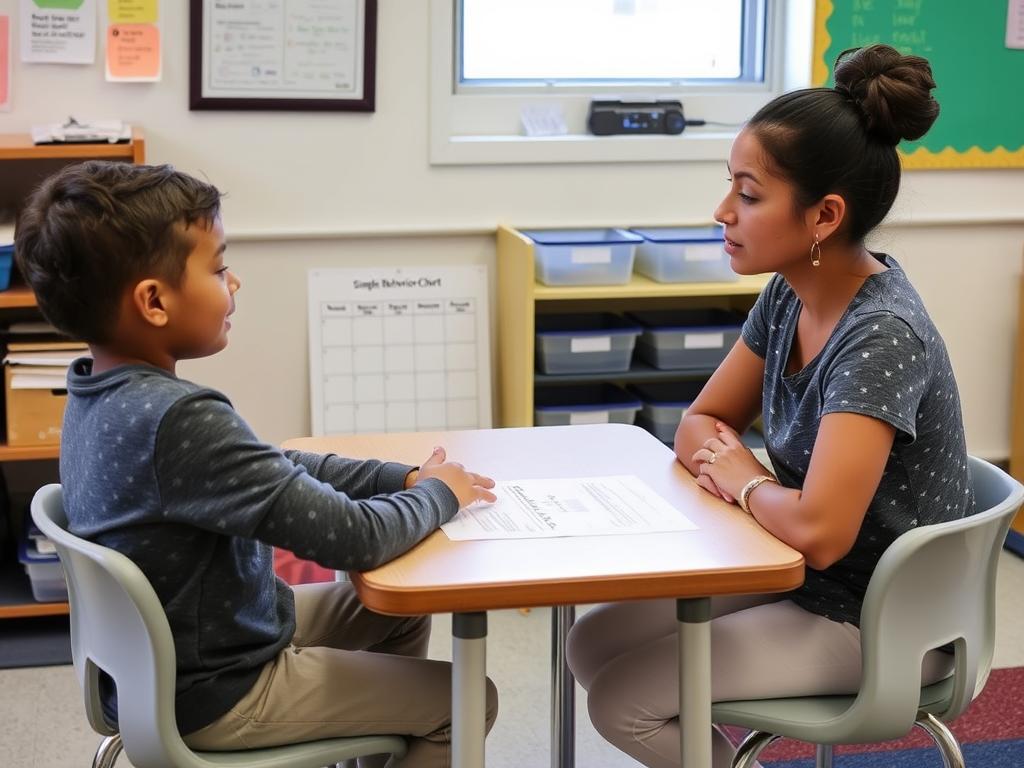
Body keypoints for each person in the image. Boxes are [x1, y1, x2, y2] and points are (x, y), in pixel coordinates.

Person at [566, 44, 973, 768]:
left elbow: (820, 532)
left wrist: (746, 481)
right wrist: (747, 479)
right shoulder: (791, 291)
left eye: (749, 195)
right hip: (795, 571)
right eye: (730, 186)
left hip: (879, 617)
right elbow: (698, 424)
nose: (723, 211)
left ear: (824, 215)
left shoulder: (881, 337)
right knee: (589, 643)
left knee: (622, 699)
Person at [14, 160, 499, 768]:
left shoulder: (98, 393)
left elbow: (276, 466)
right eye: (218, 267)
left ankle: (369, 732)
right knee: (465, 700)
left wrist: (397, 478)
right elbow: (356, 539)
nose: (234, 281)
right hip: (218, 691)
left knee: (395, 614)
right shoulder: (180, 419)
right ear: (154, 301)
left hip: (187, 655)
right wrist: (441, 494)